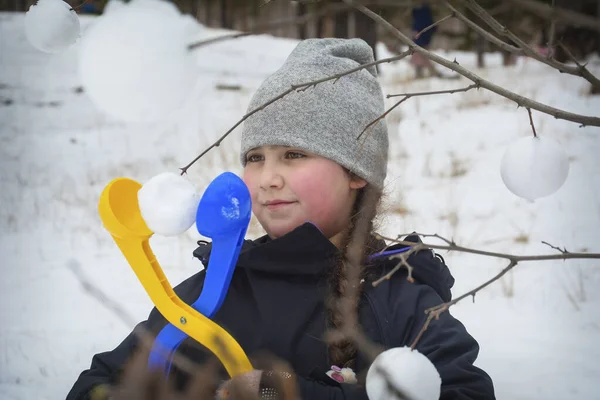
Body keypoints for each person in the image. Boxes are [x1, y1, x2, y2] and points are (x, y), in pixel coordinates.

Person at [67, 38, 495, 400]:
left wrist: (285, 391)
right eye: (255, 158)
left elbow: (462, 392)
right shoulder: (215, 291)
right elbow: (99, 383)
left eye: (294, 154)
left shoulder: (399, 297)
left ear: (356, 171)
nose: (268, 178)